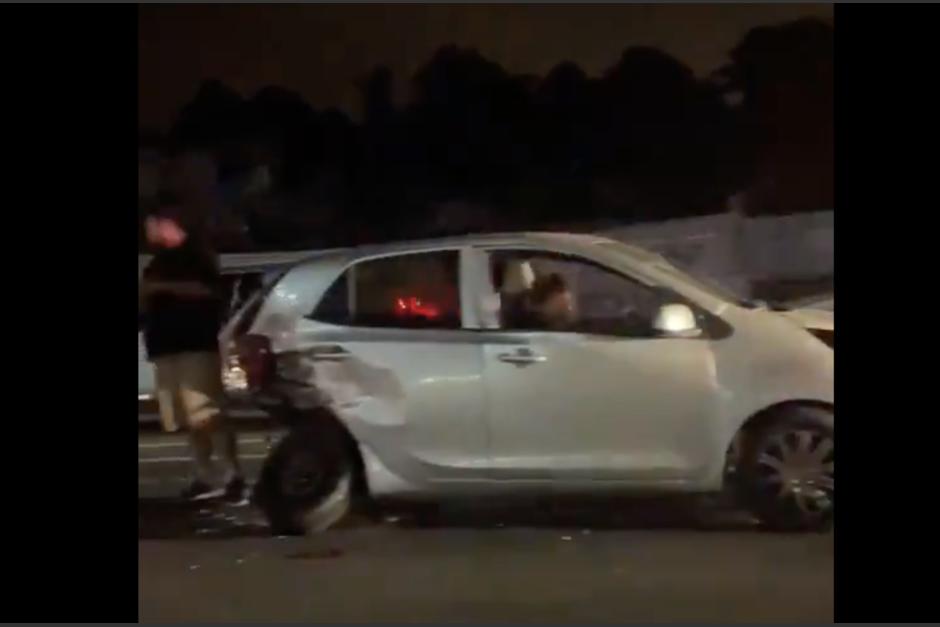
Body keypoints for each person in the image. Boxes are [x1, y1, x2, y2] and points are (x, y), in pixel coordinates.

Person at [140, 208, 245, 502]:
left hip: (195, 344)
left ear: (169, 224)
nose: (148, 232)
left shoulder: (197, 256)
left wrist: (161, 288)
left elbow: (210, 291)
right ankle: (204, 475)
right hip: (165, 345)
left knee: (206, 413)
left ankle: (232, 474)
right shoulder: (157, 262)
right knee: (186, 417)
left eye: (152, 224)